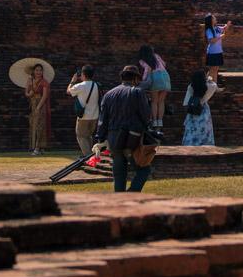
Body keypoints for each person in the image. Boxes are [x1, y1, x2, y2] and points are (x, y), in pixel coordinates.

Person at [95, 64, 160, 193]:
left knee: (119, 173)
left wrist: (100, 138)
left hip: (113, 139)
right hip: (132, 139)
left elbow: (102, 120)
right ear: (135, 79)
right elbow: (145, 116)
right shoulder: (137, 92)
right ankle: (132, 194)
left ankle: (120, 199)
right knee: (143, 169)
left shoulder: (109, 94)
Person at [67, 65, 102, 156]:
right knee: (88, 136)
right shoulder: (97, 85)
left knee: (81, 136)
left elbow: (68, 91)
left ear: (83, 74)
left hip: (83, 116)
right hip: (95, 116)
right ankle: (91, 155)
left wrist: (72, 81)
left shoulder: (80, 85)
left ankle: (88, 157)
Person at [181, 67, 218, 146]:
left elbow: (185, 103)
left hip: (193, 109)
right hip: (203, 109)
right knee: (205, 130)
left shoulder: (191, 87)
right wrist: (209, 79)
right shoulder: (210, 87)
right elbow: (214, 84)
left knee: (192, 131)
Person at [138, 45, 171, 124]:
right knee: (161, 101)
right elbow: (164, 64)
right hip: (165, 76)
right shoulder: (156, 56)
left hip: (155, 77)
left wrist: (143, 79)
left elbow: (148, 68)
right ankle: (160, 122)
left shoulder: (142, 60)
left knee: (154, 102)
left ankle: (155, 122)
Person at [24, 62, 52, 154]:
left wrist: (38, 107)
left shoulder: (44, 82)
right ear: (33, 71)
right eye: (37, 70)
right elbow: (26, 93)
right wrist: (30, 94)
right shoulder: (30, 80)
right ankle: (35, 147)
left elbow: (44, 96)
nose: (38, 72)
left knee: (40, 126)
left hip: (41, 106)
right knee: (33, 126)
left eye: (40, 70)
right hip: (32, 105)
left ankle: (38, 147)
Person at [202, 16, 232, 82]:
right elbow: (211, 41)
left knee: (216, 69)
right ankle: (207, 85)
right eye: (214, 18)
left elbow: (224, 29)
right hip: (212, 52)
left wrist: (228, 25)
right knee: (212, 69)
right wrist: (220, 37)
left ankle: (214, 85)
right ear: (211, 20)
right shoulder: (209, 30)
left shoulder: (216, 28)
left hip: (218, 51)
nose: (215, 19)